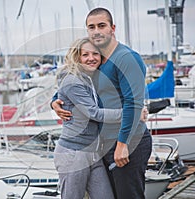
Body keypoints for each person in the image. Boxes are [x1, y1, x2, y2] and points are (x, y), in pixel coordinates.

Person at [51, 7, 152, 199]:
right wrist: (54, 101)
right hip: (103, 146)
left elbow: (133, 103)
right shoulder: (98, 61)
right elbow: (75, 86)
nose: (96, 31)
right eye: (91, 27)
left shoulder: (126, 58)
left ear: (112, 28)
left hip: (128, 142)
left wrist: (122, 144)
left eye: (102, 25)